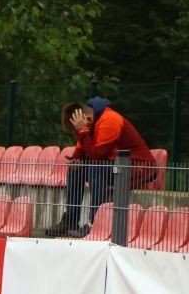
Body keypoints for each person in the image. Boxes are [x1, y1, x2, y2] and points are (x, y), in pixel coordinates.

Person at [45, 97, 156, 237]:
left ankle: (94, 223)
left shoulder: (110, 120)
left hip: (139, 169)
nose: (78, 133)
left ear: (87, 118)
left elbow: (98, 155)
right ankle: (70, 221)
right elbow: (80, 153)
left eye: (77, 130)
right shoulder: (89, 125)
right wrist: (75, 161)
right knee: (75, 169)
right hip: (115, 167)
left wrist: (82, 131)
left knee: (96, 168)